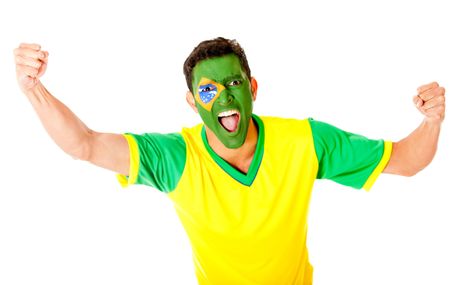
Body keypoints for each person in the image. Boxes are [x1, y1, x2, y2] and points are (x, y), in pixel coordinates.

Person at [14, 37, 445, 285]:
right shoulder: (175, 157)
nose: (223, 96)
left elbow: (406, 160)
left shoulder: (304, 141)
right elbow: (83, 145)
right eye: (207, 90)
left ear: (252, 87)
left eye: (233, 82)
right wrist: (34, 89)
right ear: (192, 102)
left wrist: (432, 120)